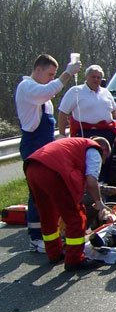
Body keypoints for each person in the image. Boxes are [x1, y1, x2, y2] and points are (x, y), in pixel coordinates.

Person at [15, 53, 81, 253]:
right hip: (33, 145)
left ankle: (48, 232)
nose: (52, 78)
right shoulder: (27, 88)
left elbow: (47, 94)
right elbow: (45, 92)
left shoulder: (42, 95)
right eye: (50, 74)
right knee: (37, 192)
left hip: (45, 145)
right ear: (38, 70)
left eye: (54, 75)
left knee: (48, 191)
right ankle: (36, 237)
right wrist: (67, 74)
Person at [24, 137, 113, 271]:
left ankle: (54, 253)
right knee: (76, 218)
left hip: (32, 167)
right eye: (105, 158)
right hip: (53, 171)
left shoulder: (74, 145)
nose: (103, 161)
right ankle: (75, 259)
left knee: (48, 215)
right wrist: (99, 202)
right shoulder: (94, 150)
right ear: (104, 150)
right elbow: (91, 180)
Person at [57, 64, 116, 183]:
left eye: (99, 77)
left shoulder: (106, 93)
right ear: (86, 77)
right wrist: (62, 134)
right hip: (85, 133)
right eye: (93, 77)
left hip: (106, 133)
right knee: (87, 163)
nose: (96, 80)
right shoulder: (76, 91)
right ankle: (87, 189)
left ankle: (104, 187)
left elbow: (114, 109)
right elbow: (63, 113)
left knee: (105, 162)